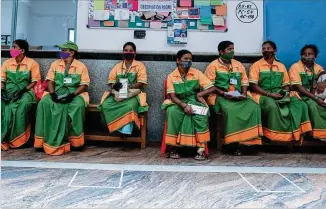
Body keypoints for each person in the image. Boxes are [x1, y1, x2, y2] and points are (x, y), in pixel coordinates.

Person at [205, 41, 262, 155]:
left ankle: (250, 143)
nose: (232, 51)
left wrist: (244, 93)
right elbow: (209, 86)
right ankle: (231, 143)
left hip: (238, 95)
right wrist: (224, 94)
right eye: (229, 49)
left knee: (254, 107)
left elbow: (244, 80)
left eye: (233, 49)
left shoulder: (238, 64)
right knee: (230, 110)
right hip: (220, 96)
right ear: (221, 52)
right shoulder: (213, 66)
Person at [34, 41, 90, 155]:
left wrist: (73, 95)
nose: (61, 52)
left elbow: (83, 85)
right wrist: (53, 94)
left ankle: (76, 142)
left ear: (72, 52)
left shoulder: (81, 66)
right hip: (57, 91)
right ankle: (41, 141)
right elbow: (50, 81)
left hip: (75, 94)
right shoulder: (55, 64)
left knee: (77, 106)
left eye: (64, 50)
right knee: (44, 103)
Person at [249, 41, 312, 142]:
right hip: (262, 94)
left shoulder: (281, 66)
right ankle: (274, 137)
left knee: (299, 104)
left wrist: (284, 93)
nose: (265, 50)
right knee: (272, 106)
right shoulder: (256, 65)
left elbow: (286, 84)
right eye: (264, 49)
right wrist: (269, 94)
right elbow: (253, 85)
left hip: (279, 93)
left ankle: (299, 133)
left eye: (268, 48)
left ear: (275, 51)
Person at [162, 49, 215, 160]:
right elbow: (172, 96)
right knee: (172, 112)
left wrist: (200, 94)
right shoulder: (172, 76)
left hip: (194, 101)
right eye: (185, 59)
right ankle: (173, 148)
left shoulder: (197, 73)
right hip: (178, 102)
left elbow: (211, 88)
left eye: (190, 59)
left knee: (202, 113)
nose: (188, 61)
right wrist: (184, 106)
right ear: (178, 60)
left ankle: (200, 149)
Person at [98, 42, 148, 136]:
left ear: (135, 53)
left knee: (129, 106)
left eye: (131, 50)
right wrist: (115, 86)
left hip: (133, 94)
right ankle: (117, 127)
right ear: (123, 52)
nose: (128, 52)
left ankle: (125, 131)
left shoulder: (140, 66)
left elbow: (142, 82)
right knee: (105, 105)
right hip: (118, 94)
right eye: (126, 50)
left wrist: (130, 87)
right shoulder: (117, 66)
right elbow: (111, 80)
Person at [1, 40, 41, 151]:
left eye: (14, 47)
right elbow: (2, 80)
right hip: (8, 90)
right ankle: (3, 138)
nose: (11, 49)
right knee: (3, 106)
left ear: (22, 50)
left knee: (22, 106)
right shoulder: (7, 63)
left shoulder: (32, 63)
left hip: (26, 91)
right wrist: (2, 92)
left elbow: (35, 81)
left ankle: (18, 140)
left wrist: (22, 91)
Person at [289, 44, 326, 140]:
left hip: (313, 95)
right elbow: (299, 88)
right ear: (301, 55)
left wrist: (323, 83)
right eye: (305, 54)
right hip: (299, 95)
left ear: (315, 56)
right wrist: (316, 98)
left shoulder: (318, 68)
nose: (307, 56)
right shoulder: (295, 67)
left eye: (310, 54)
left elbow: (323, 76)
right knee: (313, 105)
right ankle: (318, 134)